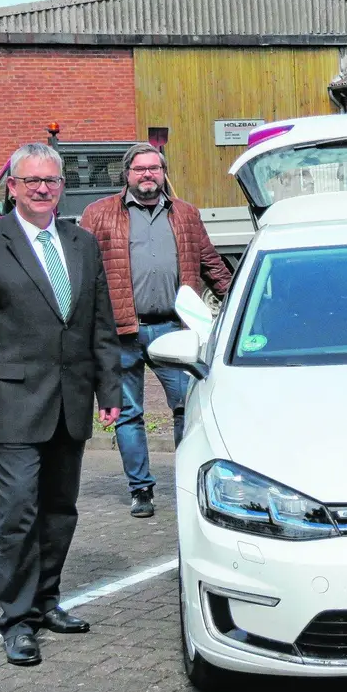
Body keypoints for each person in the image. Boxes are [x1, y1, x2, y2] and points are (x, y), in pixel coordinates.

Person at [0, 142, 123, 667]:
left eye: (51, 181)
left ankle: (48, 600)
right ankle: (18, 620)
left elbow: (100, 324)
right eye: (32, 182)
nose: (42, 189)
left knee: (59, 510)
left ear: (60, 186)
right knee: (19, 513)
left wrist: (109, 391)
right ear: (13, 187)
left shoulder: (82, 243)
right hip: (13, 404)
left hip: (70, 402)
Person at [79, 143, 232, 518]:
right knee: (128, 414)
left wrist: (241, 303)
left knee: (186, 408)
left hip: (173, 332)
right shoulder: (98, 215)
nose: (147, 175)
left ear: (163, 173)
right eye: (139, 169)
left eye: (154, 169)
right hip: (121, 333)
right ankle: (141, 490)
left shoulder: (185, 215)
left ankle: (187, 481)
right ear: (126, 174)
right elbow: (80, 270)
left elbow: (210, 263)